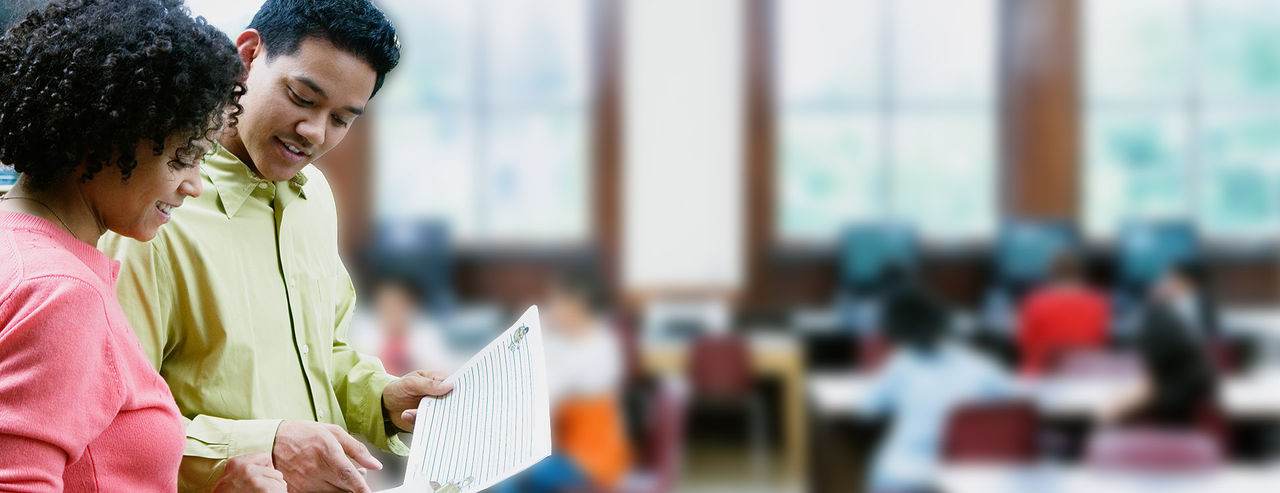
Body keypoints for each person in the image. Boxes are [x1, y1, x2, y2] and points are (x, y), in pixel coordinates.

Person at [97, 1, 452, 491]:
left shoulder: (315, 198)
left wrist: (384, 399)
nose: (315, 133)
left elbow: (321, 351)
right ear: (247, 56)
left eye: (342, 119)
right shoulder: (150, 215)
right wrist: (263, 446)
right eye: (303, 98)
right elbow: (115, 423)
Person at [0, 0, 282, 491]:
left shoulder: (21, 250)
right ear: (107, 135)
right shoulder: (61, 295)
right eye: (182, 158)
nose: (195, 184)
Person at [862, 287, 1013, 493]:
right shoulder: (979, 365)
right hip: (966, 475)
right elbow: (1014, 403)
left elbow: (869, 408)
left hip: (904, 477)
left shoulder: (901, 364)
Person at [494, 271, 632, 493]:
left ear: (577, 307)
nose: (553, 310)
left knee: (513, 482)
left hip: (589, 456)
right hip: (558, 447)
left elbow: (552, 392)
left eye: (559, 303)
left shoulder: (599, 347)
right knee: (505, 474)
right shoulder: (563, 341)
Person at [1101, 302, 1219, 429]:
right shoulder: (1197, 369)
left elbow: (1147, 393)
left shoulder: (1164, 389)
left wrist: (1115, 407)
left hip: (1159, 436)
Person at [1015, 251, 1110, 376]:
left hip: (1041, 376)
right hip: (1084, 375)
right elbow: (1101, 341)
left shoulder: (1034, 302)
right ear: (1080, 274)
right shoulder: (1099, 303)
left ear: (1052, 273)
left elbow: (1023, 343)